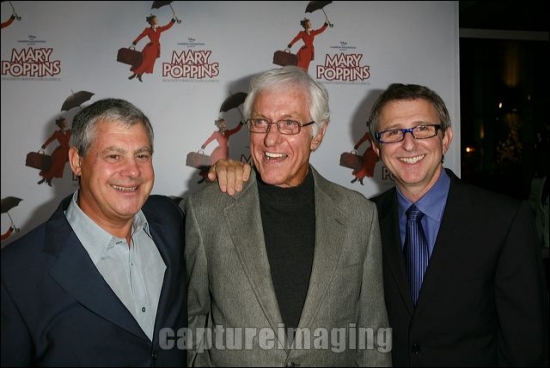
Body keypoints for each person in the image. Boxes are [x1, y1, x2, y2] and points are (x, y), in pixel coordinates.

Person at [185, 66, 391, 366]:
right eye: (261, 122)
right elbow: (191, 318)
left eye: (289, 124)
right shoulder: (207, 211)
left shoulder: (359, 215)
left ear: (318, 134)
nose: (271, 139)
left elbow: (372, 333)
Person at [367, 83, 549, 366]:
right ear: (377, 148)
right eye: (393, 133)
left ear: (446, 139)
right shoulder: (365, 220)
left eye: (423, 129)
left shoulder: (505, 220)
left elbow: (527, 345)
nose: (409, 143)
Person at [1, 98, 188, 366]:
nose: (132, 171)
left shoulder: (170, 219)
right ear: (76, 161)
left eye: (142, 155)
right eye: (114, 156)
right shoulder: (14, 273)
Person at [129, 13, 176, 82]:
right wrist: (134, 43)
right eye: (155, 19)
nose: (157, 20)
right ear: (152, 21)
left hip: (156, 49)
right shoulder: (148, 30)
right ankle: (135, 73)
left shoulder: (159, 29)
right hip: (149, 48)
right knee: (144, 61)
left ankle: (140, 74)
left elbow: (167, 27)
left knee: (150, 62)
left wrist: (173, 19)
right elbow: (141, 36)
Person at [37, 117, 72, 186]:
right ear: (61, 124)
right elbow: (50, 139)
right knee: (53, 166)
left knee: (58, 167)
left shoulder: (69, 132)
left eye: (66, 122)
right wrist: (43, 146)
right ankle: (45, 178)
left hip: (66, 152)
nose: (67, 123)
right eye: (65, 122)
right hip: (59, 152)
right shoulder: (57, 133)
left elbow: (78, 131)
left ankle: (48, 179)